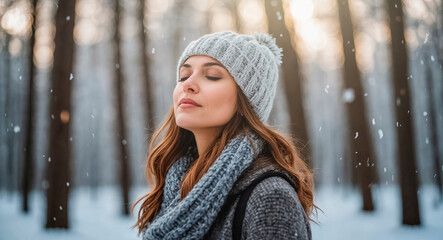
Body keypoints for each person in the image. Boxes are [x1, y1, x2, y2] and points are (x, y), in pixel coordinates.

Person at [133, 31, 316, 240]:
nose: (187, 84)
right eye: (184, 76)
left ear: (244, 102)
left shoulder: (270, 197)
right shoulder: (175, 188)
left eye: (212, 75)